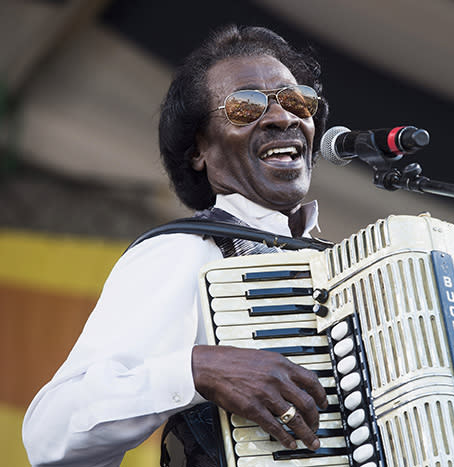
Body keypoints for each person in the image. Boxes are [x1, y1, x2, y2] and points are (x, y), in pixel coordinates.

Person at [23, 24, 332, 466]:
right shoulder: (186, 252)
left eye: (295, 99)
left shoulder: (340, 268)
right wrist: (194, 370)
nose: (283, 117)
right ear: (198, 150)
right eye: (246, 106)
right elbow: (48, 434)